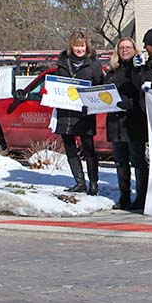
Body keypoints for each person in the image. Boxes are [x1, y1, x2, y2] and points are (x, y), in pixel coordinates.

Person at [54, 30, 104, 195]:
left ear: (86, 46)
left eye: (82, 45)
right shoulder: (63, 62)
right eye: (76, 45)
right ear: (71, 46)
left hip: (85, 112)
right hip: (66, 111)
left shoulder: (93, 64)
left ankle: (94, 183)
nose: (79, 49)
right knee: (70, 149)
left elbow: (99, 85)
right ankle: (79, 182)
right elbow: (56, 85)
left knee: (88, 149)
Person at [106, 37, 149, 212]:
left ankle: (141, 196)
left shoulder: (139, 69)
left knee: (137, 161)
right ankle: (124, 196)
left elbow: (142, 90)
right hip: (115, 121)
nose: (124, 50)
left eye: (128, 47)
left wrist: (129, 105)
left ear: (134, 49)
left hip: (133, 121)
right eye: (121, 47)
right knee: (120, 161)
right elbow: (103, 91)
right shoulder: (112, 72)